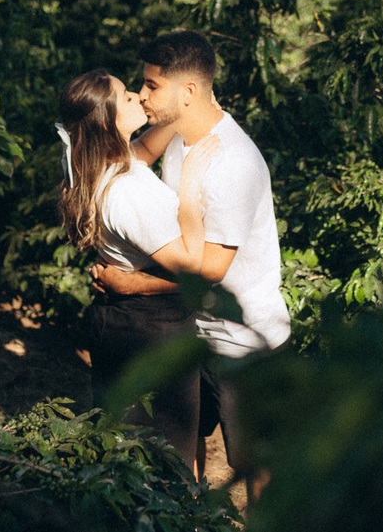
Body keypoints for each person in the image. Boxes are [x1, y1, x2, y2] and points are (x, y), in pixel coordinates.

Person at [94, 30, 291, 498]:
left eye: (151, 86)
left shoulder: (235, 163)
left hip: (245, 344)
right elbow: (133, 158)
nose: (142, 94)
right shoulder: (178, 135)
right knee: (185, 454)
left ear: (187, 92)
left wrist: (130, 284)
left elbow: (208, 273)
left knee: (254, 469)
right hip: (191, 333)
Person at [56, 68, 218, 472]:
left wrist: (175, 116)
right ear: (108, 121)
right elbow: (193, 263)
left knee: (123, 446)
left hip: (117, 323)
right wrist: (190, 186)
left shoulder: (85, 157)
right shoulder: (128, 190)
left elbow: (141, 153)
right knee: (160, 459)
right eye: (128, 97)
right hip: (152, 333)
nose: (139, 97)